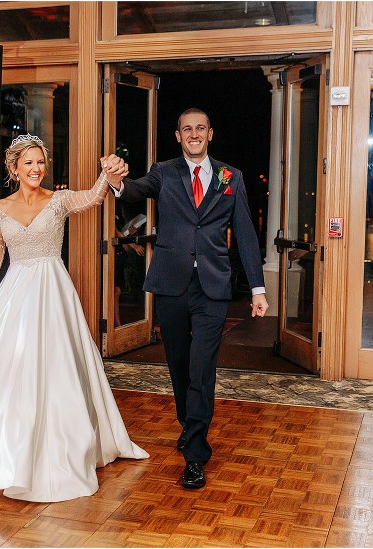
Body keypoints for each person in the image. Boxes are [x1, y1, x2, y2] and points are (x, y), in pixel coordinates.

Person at [0, 134, 148, 502]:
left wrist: (107, 176)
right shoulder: (0, 209)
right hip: (15, 295)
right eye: (28, 162)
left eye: (40, 162)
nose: (36, 168)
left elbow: (92, 198)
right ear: (14, 169)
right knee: (11, 371)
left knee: (56, 368)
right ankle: (9, 447)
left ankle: (61, 447)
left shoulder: (58, 200)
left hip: (53, 293)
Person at [113, 108, 268, 489]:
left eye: (200, 128)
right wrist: (117, 182)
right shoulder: (164, 172)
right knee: (179, 364)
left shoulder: (231, 176)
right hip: (172, 284)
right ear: (178, 136)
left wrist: (257, 288)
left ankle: (196, 455)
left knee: (202, 368)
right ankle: (189, 422)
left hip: (212, 286)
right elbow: (135, 190)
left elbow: (245, 233)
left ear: (210, 134)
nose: (194, 134)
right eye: (187, 129)